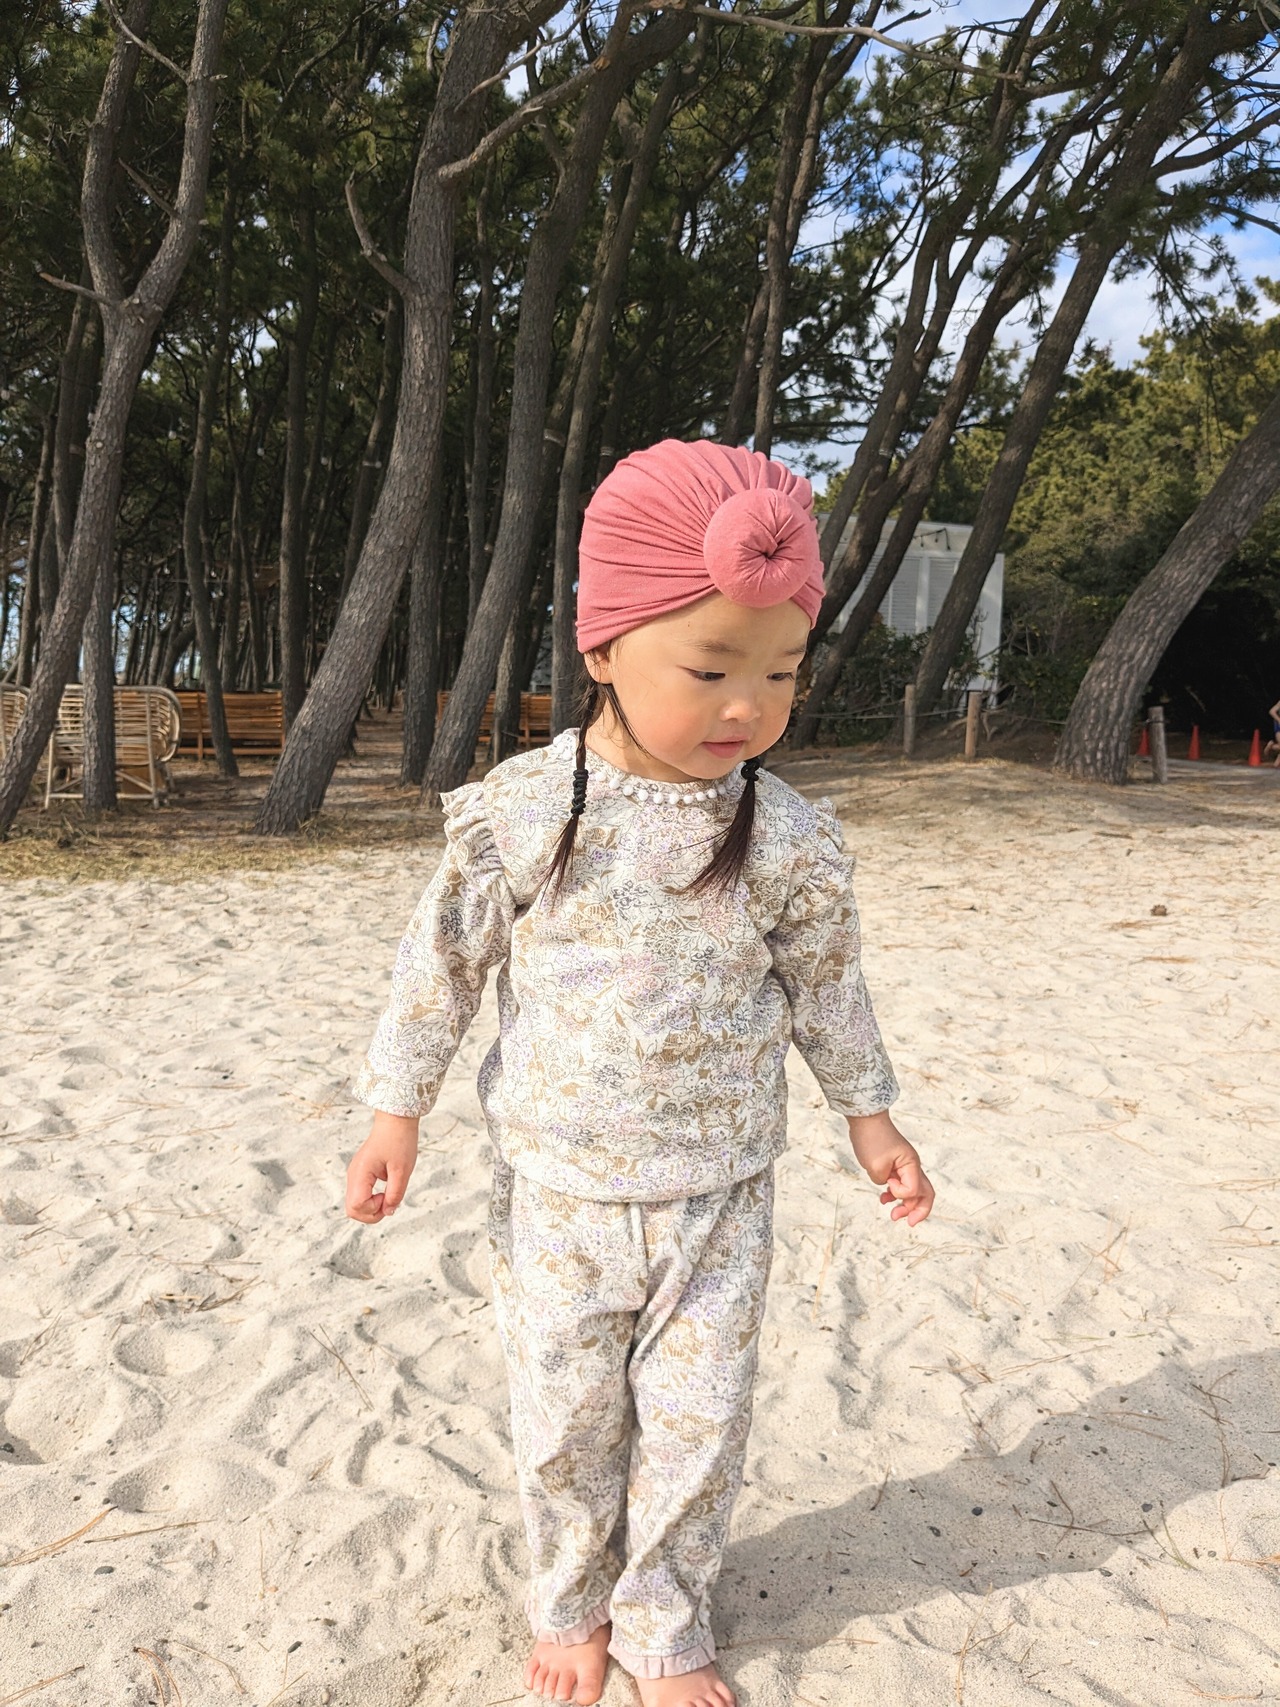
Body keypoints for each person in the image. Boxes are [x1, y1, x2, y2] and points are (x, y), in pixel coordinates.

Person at [345, 438, 935, 1707]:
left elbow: (827, 985)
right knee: (564, 1420)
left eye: (779, 673)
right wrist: (397, 1112)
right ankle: (570, 1603)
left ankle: (664, 1615)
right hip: (557, 1189)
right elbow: (440, 965)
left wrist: (870, 1119)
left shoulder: (783, 838)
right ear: (604, 647)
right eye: (709, 669)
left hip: (718, 1191)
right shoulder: (523, 810)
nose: (747, 707)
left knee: (697, 1422)